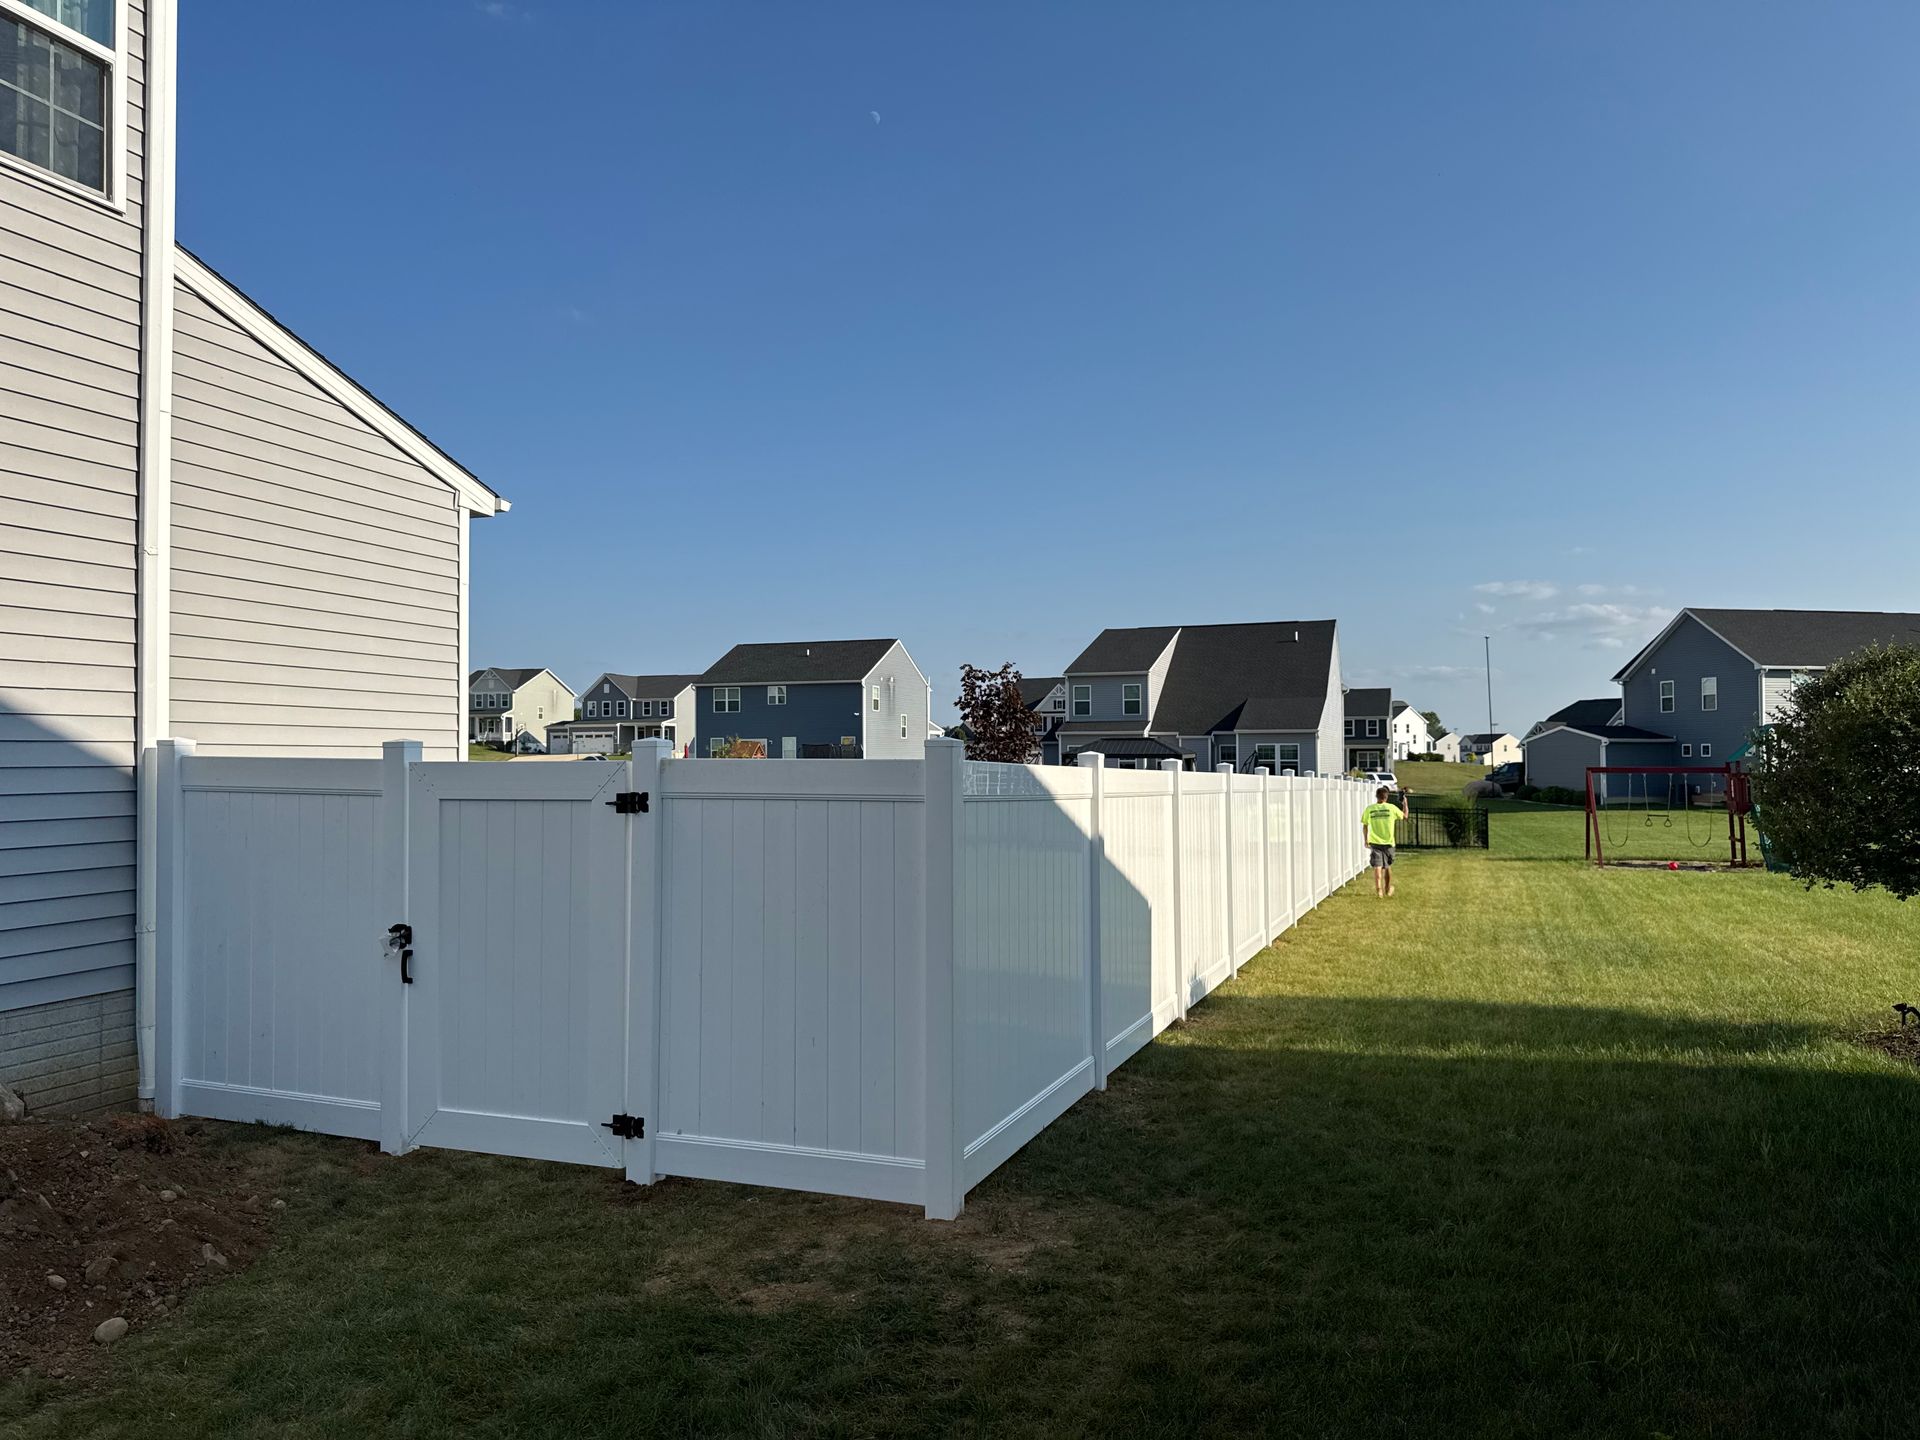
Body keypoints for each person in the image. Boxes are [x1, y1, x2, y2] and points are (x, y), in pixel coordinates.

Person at [1362, 786, 1407, 897]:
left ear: (1376, 796)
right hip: (1389, 842)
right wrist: (1405, 803)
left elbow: (1365, 825)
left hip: (1375, 842)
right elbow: (1405, 816)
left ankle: (1379, 891)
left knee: (1377, 866)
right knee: (1387, 866)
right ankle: (1387, 888)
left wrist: (1366, 839)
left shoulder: (1370, 809)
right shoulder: (1391, 808)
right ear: (1386, 797)